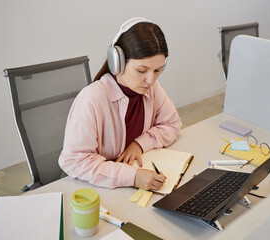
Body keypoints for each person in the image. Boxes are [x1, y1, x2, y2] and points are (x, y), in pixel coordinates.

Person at [58, 17, 181, 191]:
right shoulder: (92, 98)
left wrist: (139, 144)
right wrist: (132, 176)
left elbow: (172, 124)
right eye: (142, 70)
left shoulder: (150, 88)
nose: (151, 80)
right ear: (117, 62)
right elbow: (74, 161)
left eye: (157, 70)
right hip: (97, 188)